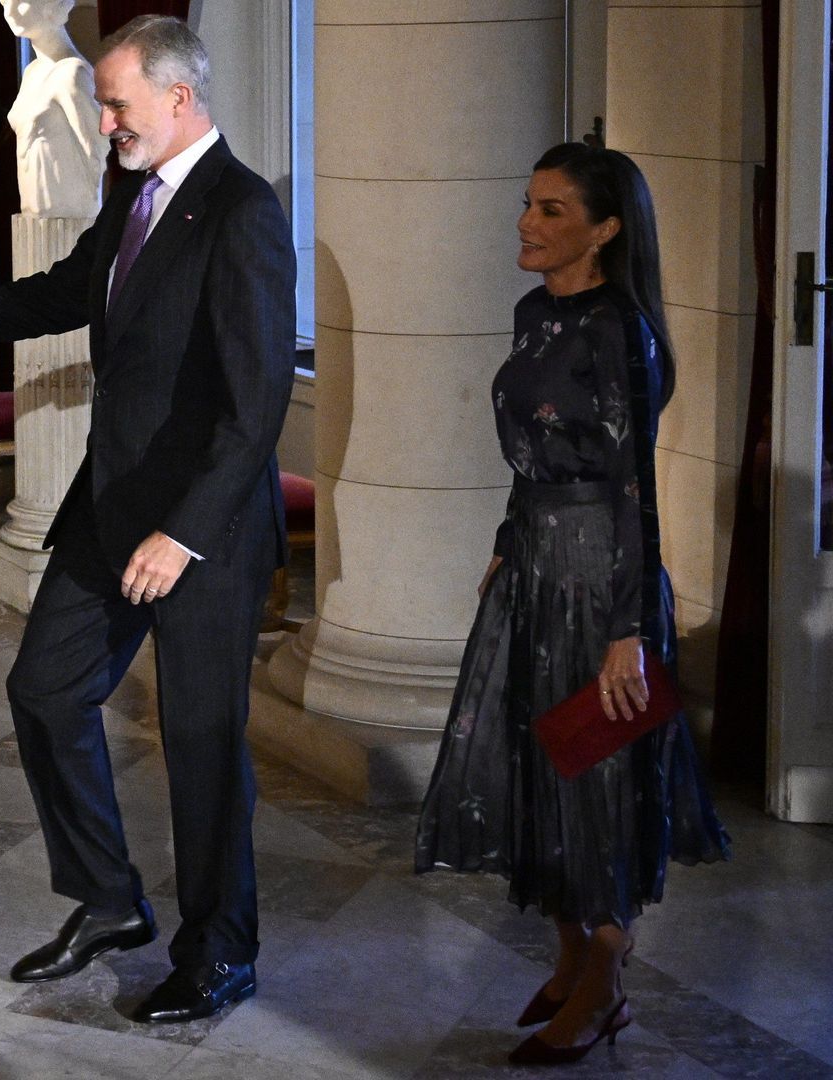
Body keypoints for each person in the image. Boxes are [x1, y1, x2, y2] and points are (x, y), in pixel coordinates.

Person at [0, 15, 294, 1023]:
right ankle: (108, 900)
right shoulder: (133, 190)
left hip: (199, 531)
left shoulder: (240, 212)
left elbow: (255, 408)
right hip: (110, 507)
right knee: (44, 690)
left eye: (119, 101)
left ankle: (222, 953)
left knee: (203, 743)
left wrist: (186, 533)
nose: (105, 118)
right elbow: (60, 292)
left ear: (178, 98)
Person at [414, 142, 730, 1066]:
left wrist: (630, 628)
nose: (527, 221)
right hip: (535, 570)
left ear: (604, 229)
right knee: (534, 762)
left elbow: (635, 485)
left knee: (596, 779)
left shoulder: (618, 329)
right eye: (528, 203)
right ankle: (565, 956)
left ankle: (604, 981)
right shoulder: (531, 313)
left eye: (553, 210)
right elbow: (528, 453)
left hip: (603, 583)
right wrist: (508, 545)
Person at [1, 0, 103, 219]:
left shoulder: (72, 74)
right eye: (4, 2)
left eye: (20, 3)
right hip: (33, 219)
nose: (9, 13)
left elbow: (97, 156)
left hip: (69, 221)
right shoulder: (32, 72)